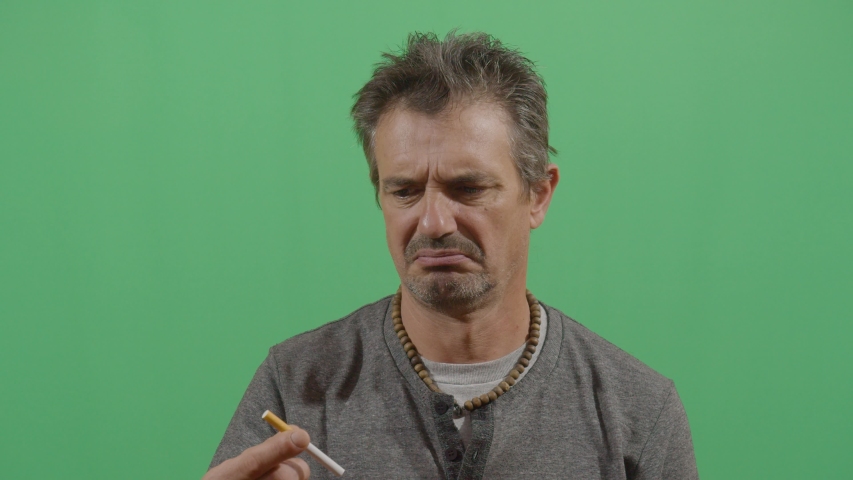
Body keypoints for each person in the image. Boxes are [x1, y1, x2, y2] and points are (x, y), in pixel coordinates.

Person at [203, 31, 698, 480]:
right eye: (404, 191)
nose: (433, 222)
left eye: (468, 188)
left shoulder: (638, 411)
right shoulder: (295, 385)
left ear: (538, 194)